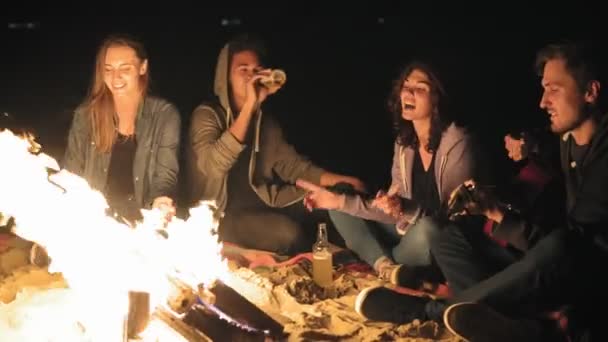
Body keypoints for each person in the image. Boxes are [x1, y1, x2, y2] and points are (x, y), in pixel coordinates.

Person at [354, 40, 607, 342]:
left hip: (589, 276)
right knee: (449, 237)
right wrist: (497, 198)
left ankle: (429, 311)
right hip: (553, 261)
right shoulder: (567, 140)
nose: (542, 102)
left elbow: (574, 250)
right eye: (543, 89)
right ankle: (515, 326)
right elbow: (544, 147)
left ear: (591, 92)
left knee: (559, 245)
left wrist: (500, 215)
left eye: (554, 89)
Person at [296, 60, 482, 287]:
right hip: (405, 232)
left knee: (430, 229)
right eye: (406, 86)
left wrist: (403, 209)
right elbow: (394, 213)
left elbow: (452, 219)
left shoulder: (458, 142)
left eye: (420, 88)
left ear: (437, 98)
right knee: (339, 204)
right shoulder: (405, 144)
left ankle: (381, 258)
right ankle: (386, 267)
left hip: (438, 243)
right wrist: (342, 201)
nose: (409, 92)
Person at [186, 33, 365, 255]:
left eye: (256, 70)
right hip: (223, 216)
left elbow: (294, 167)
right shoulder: (207, 115)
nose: (251, 77)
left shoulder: (265, 123)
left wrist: (341, 182)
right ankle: (309, 266)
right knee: (289, 235)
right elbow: (213, 165)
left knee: (337, 200)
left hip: (267, 201)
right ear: (225, 77)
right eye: (243, 70)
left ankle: (364, 262)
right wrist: (250, 105)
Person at [63, 33, 181, 226]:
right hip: (94, 222)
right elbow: (72, 172)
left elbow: (165, 176)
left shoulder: (164, 115)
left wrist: (162, 203)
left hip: (143, 225)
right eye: (108, 70)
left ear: (142, 68)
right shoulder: (86, 116)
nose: (115, 77)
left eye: (125, 69)